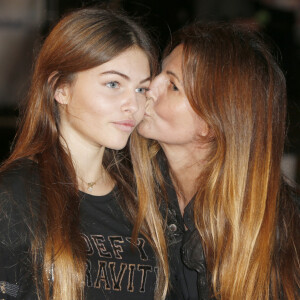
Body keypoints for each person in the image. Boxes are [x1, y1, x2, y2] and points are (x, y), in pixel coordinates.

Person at [0, 8, 168, 300]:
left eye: (141, 89)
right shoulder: (13, 195)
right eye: (114, 84)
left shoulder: (144, 199)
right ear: (60, 88)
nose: (133, 105)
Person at [135, 22, 300, 299]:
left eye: (173, 85)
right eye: (159, 72)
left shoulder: (285, 230)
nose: (150, 86)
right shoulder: (129, 192)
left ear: (211, 124)